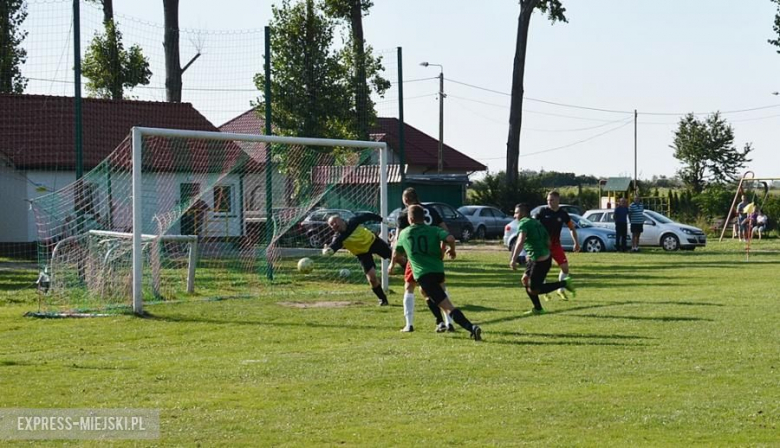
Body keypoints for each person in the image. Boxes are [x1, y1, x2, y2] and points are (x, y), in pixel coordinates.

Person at [392, 204, 482, 341]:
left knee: (447, 306)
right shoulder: (433, 230)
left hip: (424, 274)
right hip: (438, 272)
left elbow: (395, 254)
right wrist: (452, 250)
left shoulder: (405, 233)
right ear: (423, 218)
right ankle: (440, 322)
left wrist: (397, 263)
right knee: (424, 292)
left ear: (410, 219)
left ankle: (471, 328)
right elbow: (450, 238)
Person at [389, 187, 454, 333]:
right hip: (434, 256)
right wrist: (444, 249)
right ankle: (448, 322)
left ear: (405, 200)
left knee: (410, 288)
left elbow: (398, 239)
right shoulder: (432, 211)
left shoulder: (406, 214)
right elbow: (445, 231)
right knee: (440, 288)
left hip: (416, 259)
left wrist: (393, 263)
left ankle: (409, 324)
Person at [509, 203, 576, 315]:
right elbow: (548, 242)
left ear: (523, 213)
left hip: (540, 261)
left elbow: (520, 241)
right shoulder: (537, 223)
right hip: (539, 258)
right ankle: (538, 308)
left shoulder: (524, 223)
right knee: (525, 280)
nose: (514, 216)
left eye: (516, 213)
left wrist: (513, 259)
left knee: (535, 289)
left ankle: (564, 284)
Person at [322, 212, 391, 306]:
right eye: (331, 224)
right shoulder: (339, 238)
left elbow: (367, 216)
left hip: (373, 242)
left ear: (341, 219)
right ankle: (383, 300)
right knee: (372, 279)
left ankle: (414, 277)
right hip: (362, 253)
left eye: (335, 221)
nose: (334, 224)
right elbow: (332, 248)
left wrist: (382, 219)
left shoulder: (353, 221)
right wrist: (327, 251)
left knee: (399, 258)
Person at [532, 191, 579, 300]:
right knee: (541, 269)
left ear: (558, 200)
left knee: (565, 268)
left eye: (551, 200)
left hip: (556, 245)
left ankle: (560, 290)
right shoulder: (542, 211)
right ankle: (544, 292)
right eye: (548, 200)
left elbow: (572, 228)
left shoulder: (563, 214)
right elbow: (533, 225)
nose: (549, 202)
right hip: (543, 246)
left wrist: (576, 242)